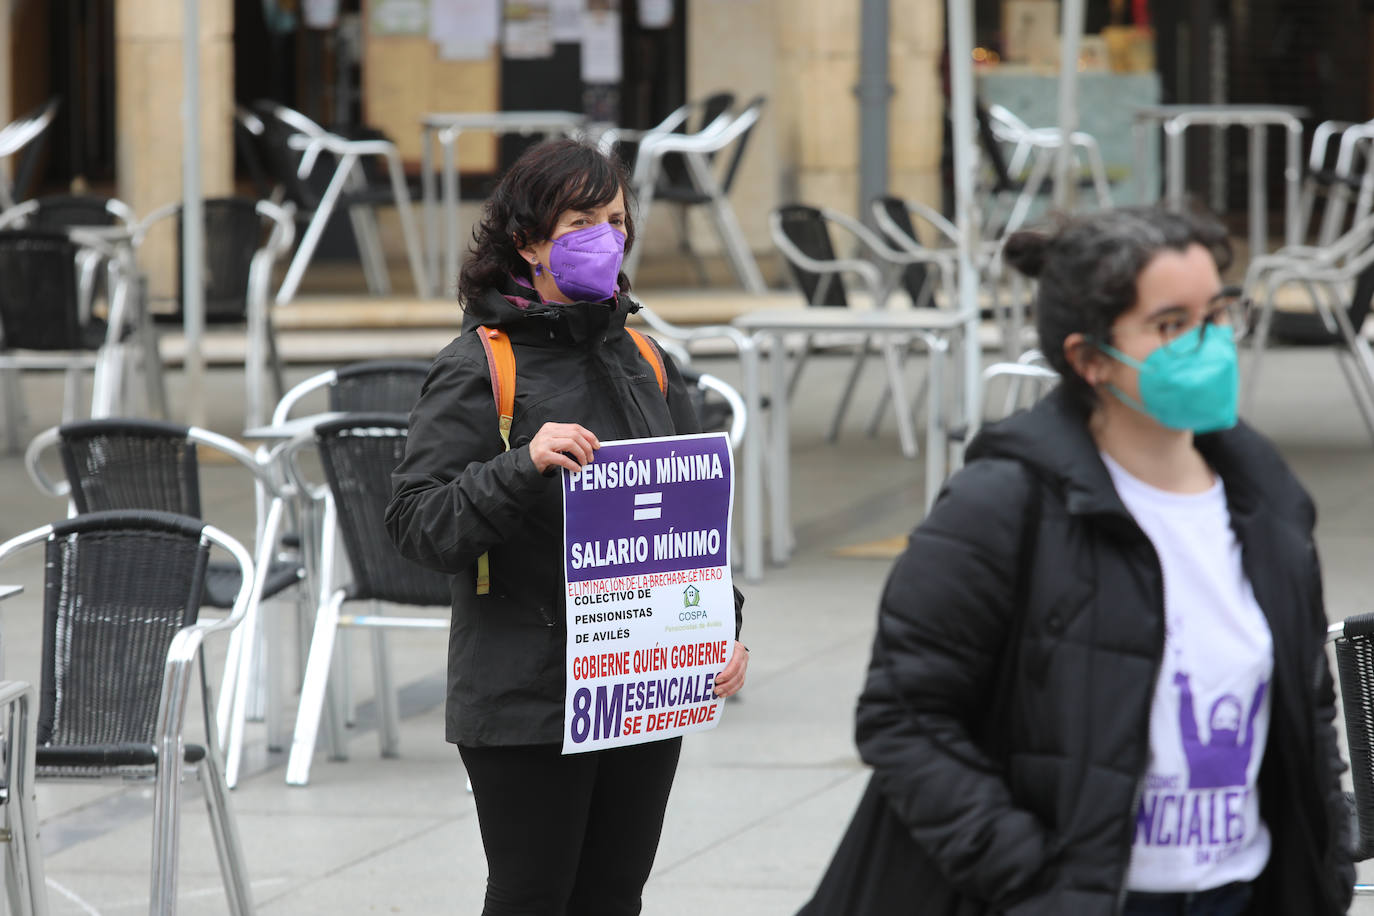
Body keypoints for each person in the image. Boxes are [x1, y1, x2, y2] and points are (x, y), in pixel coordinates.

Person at [835, 206, 1353, 915]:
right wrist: (1038, 884)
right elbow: (904, 716)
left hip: (1241, 891)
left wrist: (1323, 859)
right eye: (1171, 326)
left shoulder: (1266, 497)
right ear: (1090, 359)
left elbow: (1306, 699)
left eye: (1219, 312)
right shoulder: (1003, 503)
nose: (1209, 343)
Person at [384, 138, 748, 915]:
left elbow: (690, 527)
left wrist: (723, 628)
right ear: (528, 240)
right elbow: (417, 523)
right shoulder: (481, 364)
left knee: (614, 894)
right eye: (582, 220)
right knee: (533, 896)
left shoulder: (648, 360)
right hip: (525, 694)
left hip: (638, 684)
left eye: (616, 219)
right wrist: (522, 466)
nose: (605, 238)